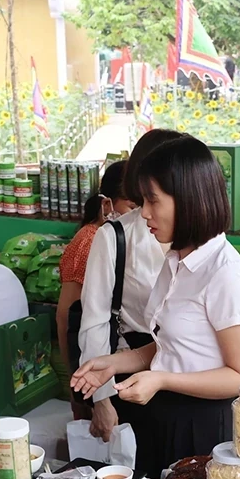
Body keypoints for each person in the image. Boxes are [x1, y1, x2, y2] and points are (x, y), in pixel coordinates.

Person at [73, 136, 240, 476]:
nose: (143, 212)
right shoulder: (176, 259)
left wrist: (161, 380)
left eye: (152, 201)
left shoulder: (225, 273)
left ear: (188, 201)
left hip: (203, 424)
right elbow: (167, 346)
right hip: (164, 414)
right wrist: (112, 363)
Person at [78, 129, 183, 449]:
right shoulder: (115, 237)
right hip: (130, 379)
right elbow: (95, 321)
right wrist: (102, 399)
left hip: (188, 378)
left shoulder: (199, 236)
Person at [57, 160, 132, 418]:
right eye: (132, 207)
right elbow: (68, 316)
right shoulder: (91, 241)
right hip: (95, 364)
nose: (141, 215)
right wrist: (75, 384)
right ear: (107, 204)